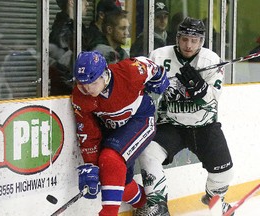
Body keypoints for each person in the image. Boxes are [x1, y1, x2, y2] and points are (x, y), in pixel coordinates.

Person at [135, 17, 234, 216]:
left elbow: (212, 99)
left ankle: (214, 197)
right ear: (178, 38)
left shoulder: (211, 60)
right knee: (148, 154)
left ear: (202, 41)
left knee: (224, 172)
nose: (188, 45)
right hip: (170, 125)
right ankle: (157, 205)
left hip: (204, 125)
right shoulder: (159, 55)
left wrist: (198, 87)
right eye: (185, 39)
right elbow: (140, 83)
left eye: (194, 40)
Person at [71, 51, 170, 216]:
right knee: (114, 179)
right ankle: (145, 204)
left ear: (105, 74)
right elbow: (87, 132)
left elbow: (148, 64)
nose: (87, 89)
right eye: (82, 84)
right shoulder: (80, 96)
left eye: (92, 83)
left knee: (110, 158)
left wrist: (159, 76)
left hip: (141, 119)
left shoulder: (129, 72)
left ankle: (108, 213)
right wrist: (91, 166)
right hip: (114, 129)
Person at [49, 0, 89, 95]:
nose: (87, 3)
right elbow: (63, 67)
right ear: (71, 2)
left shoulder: (76, 27)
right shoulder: (63, 29)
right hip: (66, 95)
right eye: (84, 0)